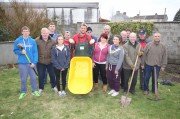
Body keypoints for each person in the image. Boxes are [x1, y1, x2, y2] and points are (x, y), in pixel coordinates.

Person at [13, 26, 40, 99]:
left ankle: (34, 90)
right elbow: (15, 50)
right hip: (22, 63)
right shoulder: (18, 40)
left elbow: (35, 52)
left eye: (27, 31)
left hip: (31, 63)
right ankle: (23, 91)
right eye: (24, 31)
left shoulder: (32, 41)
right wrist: (21, 52)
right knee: (23, 79)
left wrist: (34, 62)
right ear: (22, 32)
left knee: (33, 78)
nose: (25, 33)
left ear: (29, 32)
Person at [36, 28, 57, 94]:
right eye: (43, 33)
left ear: (48, 33)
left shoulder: (53, 41)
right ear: (41, 33)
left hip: (50, 61)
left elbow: (56, 50)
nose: (45, 34)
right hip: (40, 62)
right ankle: (41, 88)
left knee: (52, 75)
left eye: (46, 33)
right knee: (41, 75)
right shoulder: (36, 41)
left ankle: (54, 86)